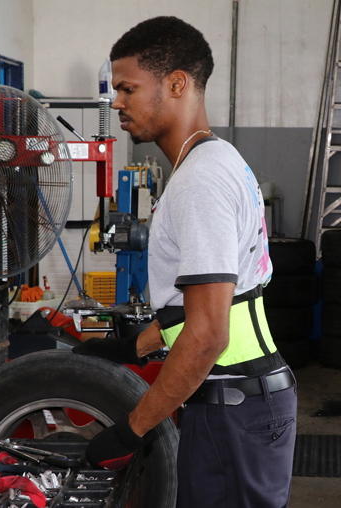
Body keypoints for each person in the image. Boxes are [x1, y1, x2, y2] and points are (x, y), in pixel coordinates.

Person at [74, 16, 297, 508]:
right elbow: (224, 306)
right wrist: (137, 346)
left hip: (232, 409)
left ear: (176, 83)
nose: (117, 102)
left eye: (128, 89)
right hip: (243, 399)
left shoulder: (200, 181)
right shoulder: (217, 160)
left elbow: (209, 334)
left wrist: (132, 431)